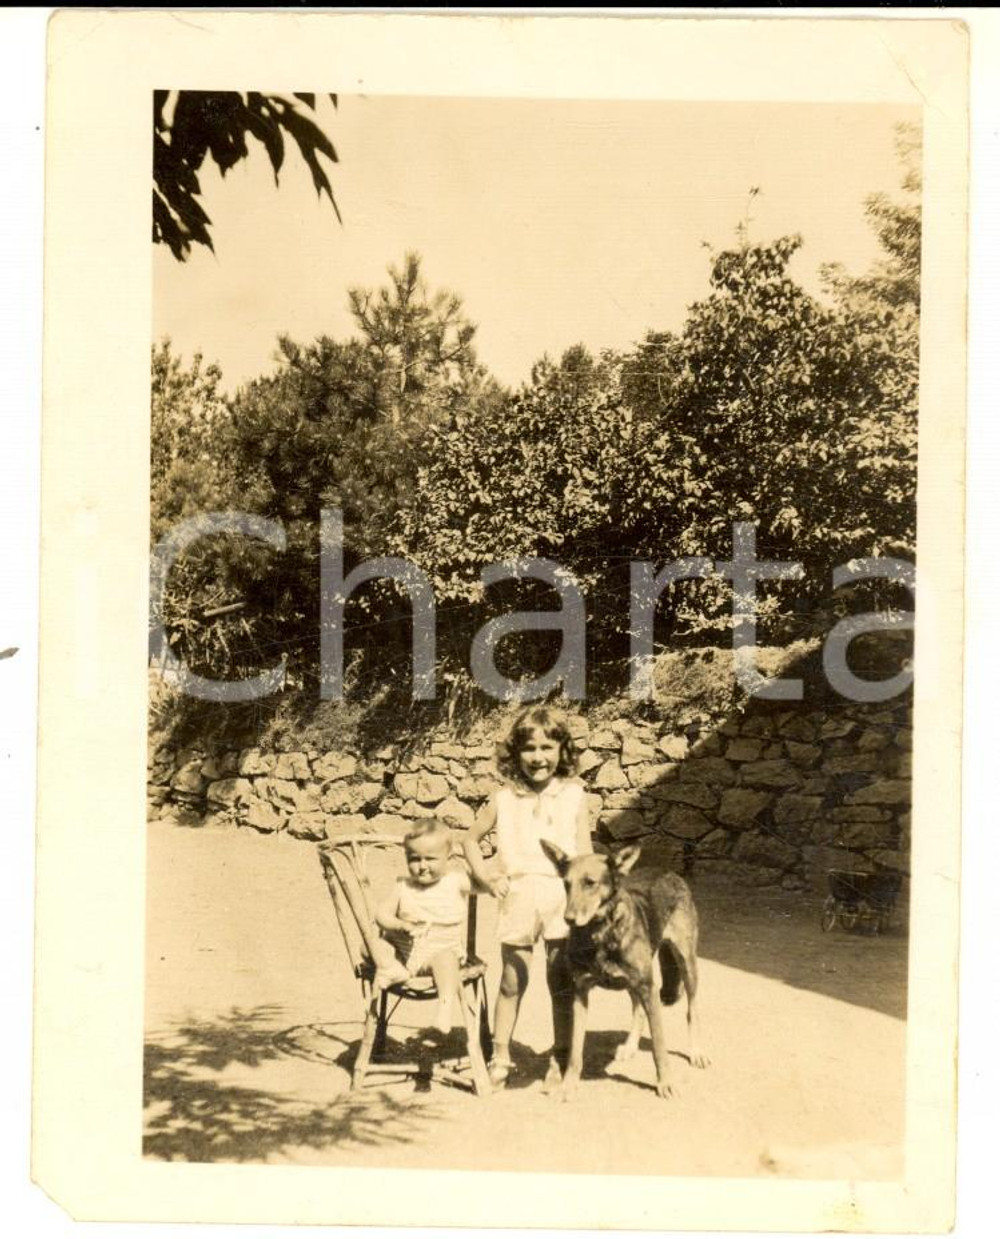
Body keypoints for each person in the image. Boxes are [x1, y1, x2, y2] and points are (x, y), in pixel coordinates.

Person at [463, 705, 592, 1090]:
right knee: (512, 980)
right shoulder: (504, 798)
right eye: (529, 749)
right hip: (518, 895)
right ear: (515, 754)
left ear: (562, 751)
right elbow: (469, 839)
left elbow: (583, 853)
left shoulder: (574, 795)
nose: (538, 758)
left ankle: (561, 1054)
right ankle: (501, 1055)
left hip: (560, 896)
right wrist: (485, 877)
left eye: (547, 748)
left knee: (561, 979)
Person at [373, 818, 470, 1034]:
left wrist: (494, 879)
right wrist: (399, 924)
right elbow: (381, 914)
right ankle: (392, 969)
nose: (422, 866)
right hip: (405, 953)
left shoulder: (455, 881)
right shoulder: (403, 885)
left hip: (441, 953)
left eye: (431, 859)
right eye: (414, 859)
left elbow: (483, 884)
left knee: (446, 960)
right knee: (371, 945)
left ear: (448, 857)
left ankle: (445, 1007)